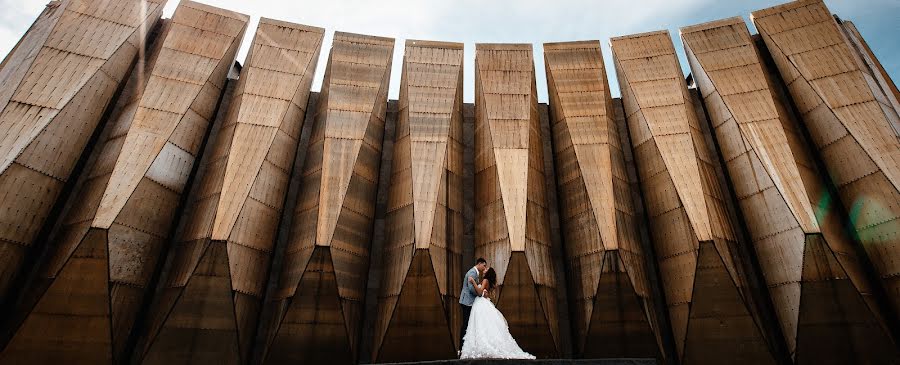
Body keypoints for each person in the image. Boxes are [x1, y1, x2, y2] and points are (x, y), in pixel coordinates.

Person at [459, 267, 535, 360]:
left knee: (480, 325)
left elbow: (479, 293)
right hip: (484, 302)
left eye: (486, 269)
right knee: (484, 325)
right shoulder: (487, 282)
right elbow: (484, 293)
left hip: (480, 303)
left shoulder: (485, 280)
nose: (485, 269)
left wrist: (473, 282)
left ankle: (481, 345)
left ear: (488, 273)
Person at [459, 258, 487, 347]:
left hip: (468, 301)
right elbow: (471, 289)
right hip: (467, 302)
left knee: (468, 324)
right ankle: (462, 346)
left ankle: (464, 345)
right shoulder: (472, 273)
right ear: (479, 264)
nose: (484, 267)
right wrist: (480, 293)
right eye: (484, 265)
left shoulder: (475, 273)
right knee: (466, 324)